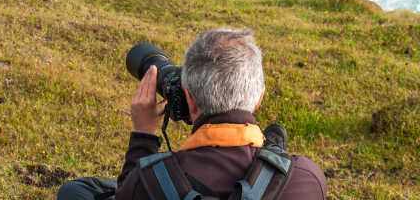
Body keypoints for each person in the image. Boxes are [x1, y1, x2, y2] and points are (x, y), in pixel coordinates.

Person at [58, 28, 326, 200]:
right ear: (260, 97)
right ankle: (268, 147)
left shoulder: (150, 182)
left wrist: (143, 135)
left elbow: (129, 192)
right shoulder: (307, 178)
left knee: (74, 192)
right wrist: (271, 155)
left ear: (189, 99)